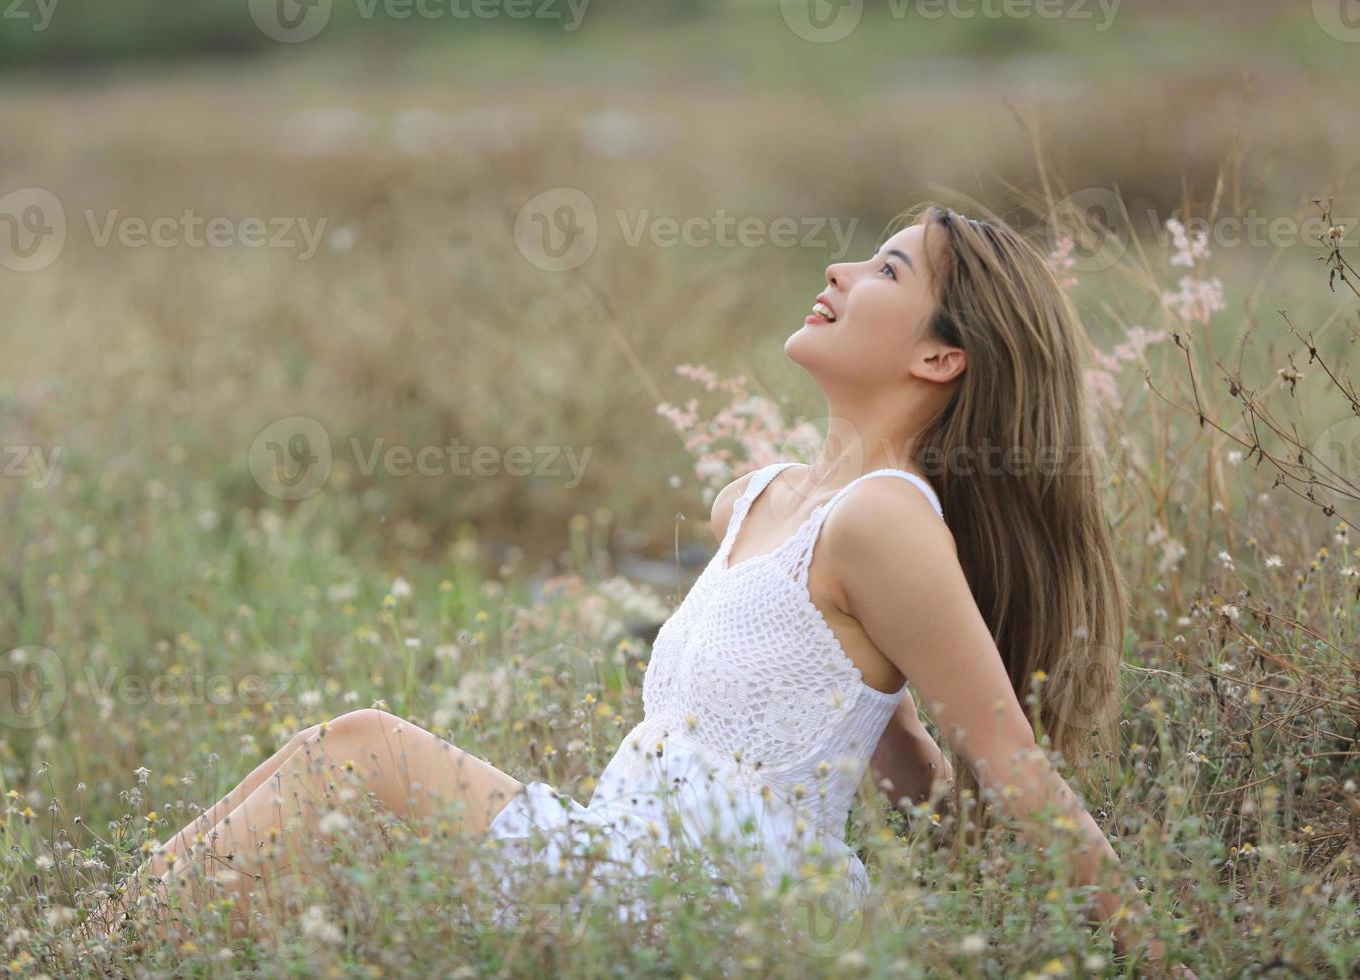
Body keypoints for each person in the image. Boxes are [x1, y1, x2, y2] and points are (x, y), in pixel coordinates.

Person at [91, 203, 1190, 974]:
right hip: (630, 857)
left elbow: (1012, 774)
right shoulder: (756, 500)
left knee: (363, 748)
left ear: (942, 359)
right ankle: (103, 946)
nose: (843, 275)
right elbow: (885, 749)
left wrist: (1162, 962)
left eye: (887, 272)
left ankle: (80, 956)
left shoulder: (886, 518)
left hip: (719, 900)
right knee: (322, 792)